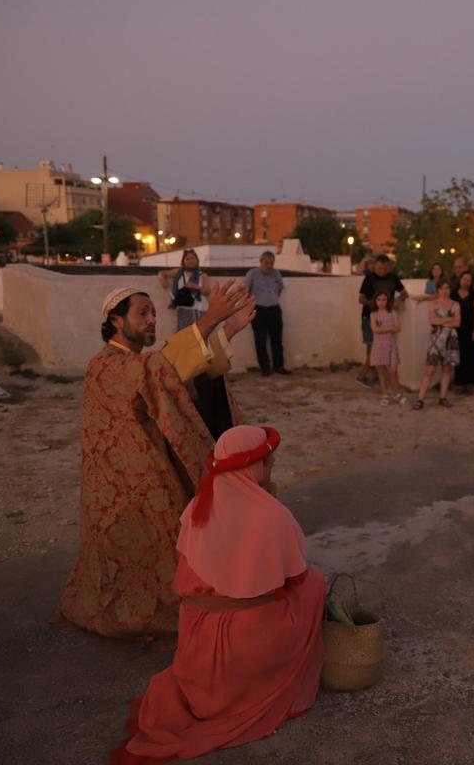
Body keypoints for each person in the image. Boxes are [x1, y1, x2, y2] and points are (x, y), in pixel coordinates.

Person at [109, 426, 325, 763]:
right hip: (251, 642)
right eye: (268, 464)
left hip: (200, 639)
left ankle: (214, 690)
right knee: (314, 585)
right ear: (255, 467)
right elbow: (294, 578)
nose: (270, 471)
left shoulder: (197, 507)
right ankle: (273, 683)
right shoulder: (273, 515)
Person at [56, 283, 255, 638]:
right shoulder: (105, 365)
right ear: (116, 321)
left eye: (153, 313)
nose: (151, 321)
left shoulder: (138, 362)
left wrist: (227, 331)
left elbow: (175, 373)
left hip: (150, 471)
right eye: (142, 314)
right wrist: (211, 320)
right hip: (122, 486)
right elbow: (161, 369)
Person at [357, 255, 408, 387]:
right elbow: (361, 299)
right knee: (372, 349)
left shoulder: (393, 277)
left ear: (389, 266)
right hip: (369, 317)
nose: (382, 271)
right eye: (379, 268)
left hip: (386, 318)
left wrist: (398, 300)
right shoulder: (369, 278)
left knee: (380, 349)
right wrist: (376, 305)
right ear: (374, 265)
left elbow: (404, 293)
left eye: (385, 268)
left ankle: (374, 378)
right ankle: (362, 376)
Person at [413, 279, 460, 409]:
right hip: (436, 339)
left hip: (451, 339)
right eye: (442, 288)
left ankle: (443, 398)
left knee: (446, 369)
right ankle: (420, 399)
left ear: (450, 289)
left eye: (447, 288)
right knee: (430, 369)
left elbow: (457, 323)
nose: (445, 291)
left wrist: (441, 320)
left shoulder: (455, 304)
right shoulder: (433, 303)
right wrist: (448, 319)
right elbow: (432, 321)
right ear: (438, 290)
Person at [244, 251, 288, 377]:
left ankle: (279, 366)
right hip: (259, 310)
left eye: (271, 263)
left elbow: (279, 288)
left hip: (274, 309)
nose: (269, 266)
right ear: (261, 261)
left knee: (277, 340)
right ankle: (265, 368)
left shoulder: (276, 273)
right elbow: (245, 290)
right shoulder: (252, 273)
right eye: (267, 262)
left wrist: (272, 299)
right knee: (260, 340)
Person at [158, 249, 211, 331]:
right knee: (184, 336)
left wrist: (195, 286)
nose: (190, 261)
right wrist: (163, 281)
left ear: (197, 260)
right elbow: (163, 273)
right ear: (183, 261)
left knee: (198, 335)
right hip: (183, 309)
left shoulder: (202, 275)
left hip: (199, 309)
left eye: (192, 258)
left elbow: (207, 291)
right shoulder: (179, 272)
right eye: (187, 258)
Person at [369, 292, 405, 405]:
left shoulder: (393, 313)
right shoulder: (373, 314)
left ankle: (397, 393)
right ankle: (385, 395)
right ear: (375, 301)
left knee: (393, 371)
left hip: (391, 345)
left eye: (384, 299)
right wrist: (390, 328)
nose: (381, 302)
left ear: (388, 301)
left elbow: (398, 328)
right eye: (379, 300)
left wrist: (384, 329)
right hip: (378, 345)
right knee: (381, 372)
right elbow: (375, 330)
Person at [453, 271, 474, 394]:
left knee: (472, 355)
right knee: (459, 355)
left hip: (472, 328)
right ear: (460, 279)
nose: (466, 282)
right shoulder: (453, 294)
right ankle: (460, 383)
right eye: (464, 279)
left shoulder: (473, 295)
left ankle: (471, 383)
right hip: (457, 329)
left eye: (469, 280)